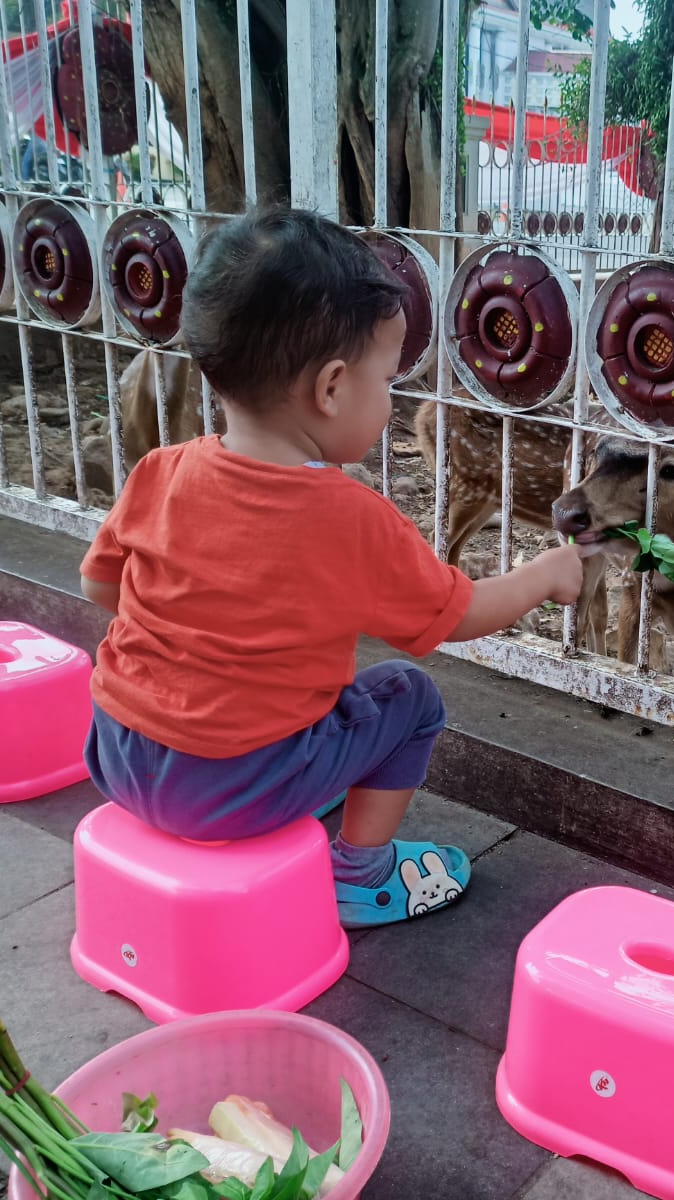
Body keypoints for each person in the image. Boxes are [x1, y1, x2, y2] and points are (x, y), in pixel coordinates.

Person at [78, 208, 584, 926]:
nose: (390, 402)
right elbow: (459, 617)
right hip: (232, 785)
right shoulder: (350, 519)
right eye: (387, 382)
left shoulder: (163, 471)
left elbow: (99, 585)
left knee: (319, 691)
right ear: (332, 388)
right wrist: (547, 574)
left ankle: (288, 779)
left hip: (117, 754)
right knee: (408, 698)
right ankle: (360, 874)